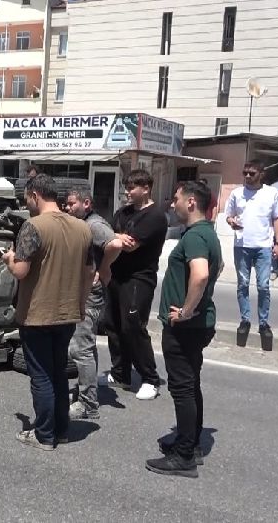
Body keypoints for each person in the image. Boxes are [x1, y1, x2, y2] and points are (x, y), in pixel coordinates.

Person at [3, 175, 93, 451]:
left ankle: (44, 434)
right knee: (58, 373)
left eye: (26, 198)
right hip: (68, 312)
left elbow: (21, 270)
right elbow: (91, 273)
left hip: (37, 313)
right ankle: (61, 429)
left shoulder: (33, 226)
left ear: (34, 195)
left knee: (41, 375)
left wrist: (9, 258)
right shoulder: (83, 227)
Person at [146, 181, 223, 478]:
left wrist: (187, 310)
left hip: (186, 327)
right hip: (198, 324)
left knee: (182, 388)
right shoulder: (207, 233)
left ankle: (184, 456)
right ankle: (191, 444)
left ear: (191, 203)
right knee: (191, 384)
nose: (172, 204)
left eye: (176, 199)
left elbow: (202, 275)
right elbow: (219, 267)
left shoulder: (194, 236)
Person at [106, 169, 167, 401]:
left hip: (139, 277)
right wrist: (117, 237)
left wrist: (117, 238)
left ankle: (150, 378)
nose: (127, 192)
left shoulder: (155, 216)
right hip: (116, 275)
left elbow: (130, 245)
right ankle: (120, 372)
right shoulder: (122, 212)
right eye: (126, 187)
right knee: (112, 324)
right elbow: (110, 236)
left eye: (132, 187)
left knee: (133, 325)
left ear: (146, 188)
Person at [64, 186, 123, 420]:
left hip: (90, 293)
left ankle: (88, 404)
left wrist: (104, 267)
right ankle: (85, 393)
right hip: (85, 291)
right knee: (85, 346)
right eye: (66, 204)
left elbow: (115, 244)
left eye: (71, 204)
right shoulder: (84, 224)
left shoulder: (93, 225)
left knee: (81, 349)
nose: (67, 208)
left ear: (86, 203)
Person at [224, 159, 278, 350]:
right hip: (242, 245)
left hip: (263, 247)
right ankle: (245, 320)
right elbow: (228, 215)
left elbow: (277, 218)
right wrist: (231, 221)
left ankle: (264, 323)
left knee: (263, 286)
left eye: (252, 173)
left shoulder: (271, 193)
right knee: (242, 284)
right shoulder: (236, 193)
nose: (248, 176)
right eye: (245, 173)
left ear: (261, 174)